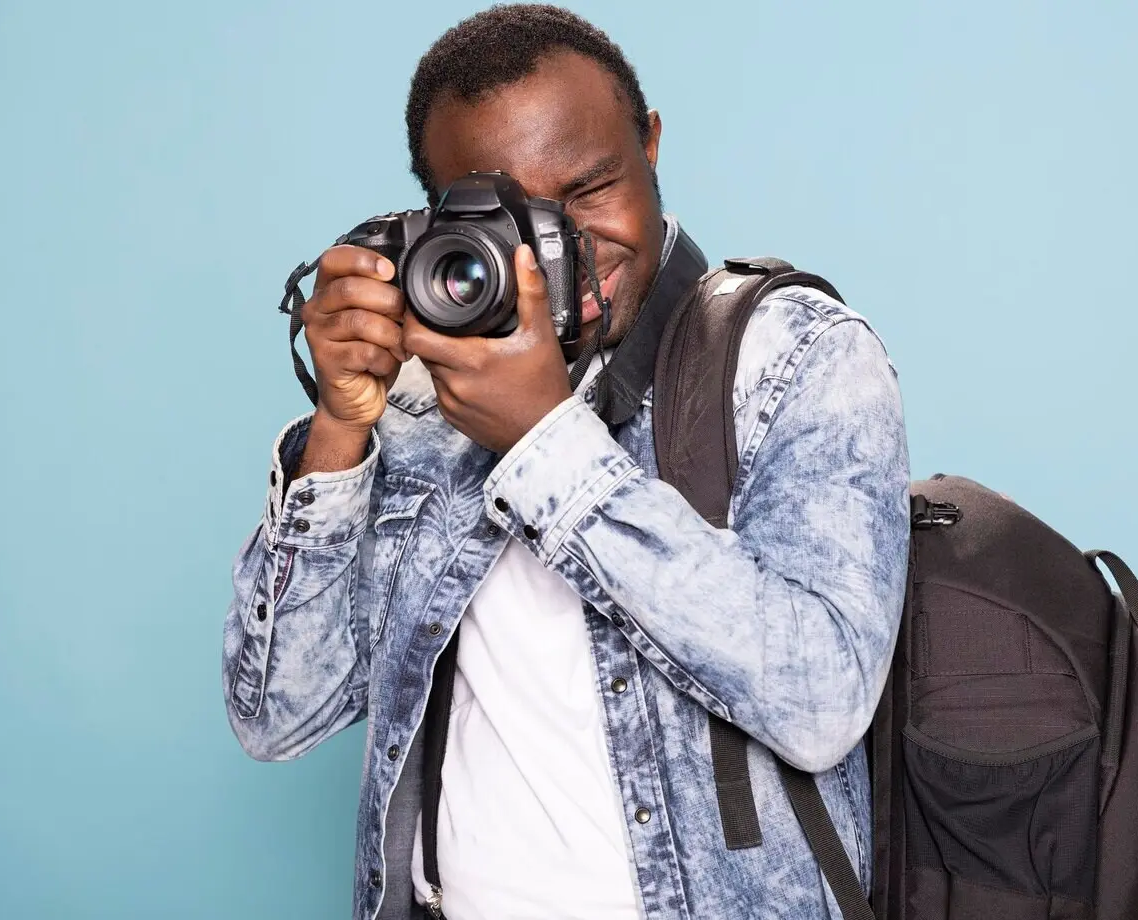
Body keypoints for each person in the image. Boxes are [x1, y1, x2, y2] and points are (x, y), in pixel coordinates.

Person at [222, 5, 911, 918]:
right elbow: (278, 716)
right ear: (438, 211)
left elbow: (822, 699)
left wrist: (546, 442)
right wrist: (341, 432)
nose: (564, 247)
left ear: (650, 142)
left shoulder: (791, 357)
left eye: (589, 190)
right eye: (514, 216)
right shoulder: (419, 396)